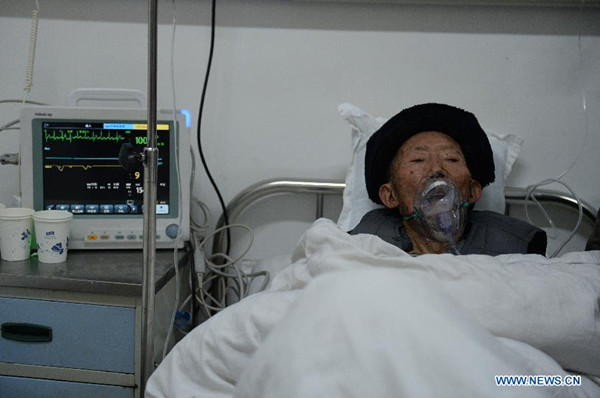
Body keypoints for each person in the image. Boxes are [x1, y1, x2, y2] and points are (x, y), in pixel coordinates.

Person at [351, 103, 547, 255]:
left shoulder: (516, 251)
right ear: (390, 196)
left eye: (451, 159)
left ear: (473, 191)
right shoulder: (356, 250)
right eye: (418, 160)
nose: (437, 169)